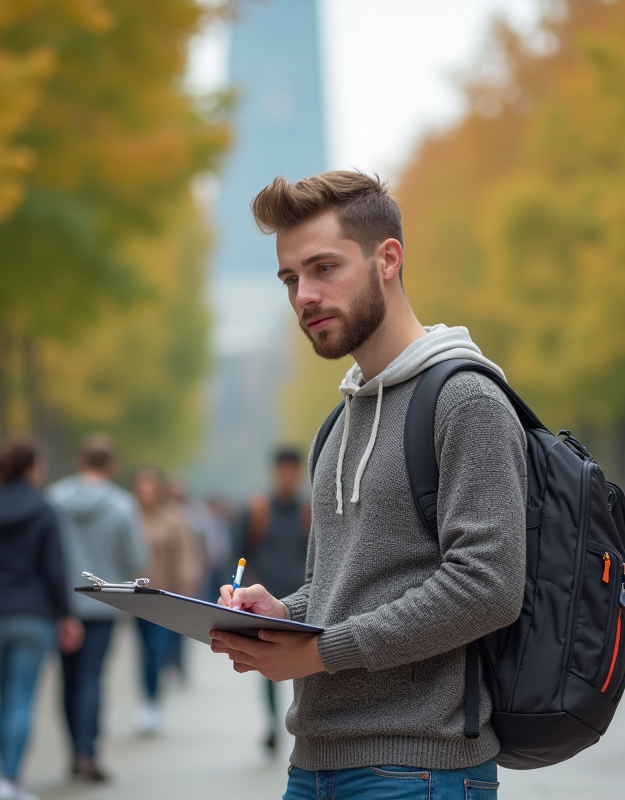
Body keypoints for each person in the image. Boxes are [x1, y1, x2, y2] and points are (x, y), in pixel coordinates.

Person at [209, 171, 526, 799]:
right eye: (290, 279)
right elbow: (343, 587)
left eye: (323, 268)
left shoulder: (465, 399)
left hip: (420, 770)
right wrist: (284, 614)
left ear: (388, 259)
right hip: (314, 765)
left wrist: (322, 651)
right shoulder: (339, 422)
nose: (304, 295)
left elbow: (488, 585)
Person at [0, 438, 83, 800]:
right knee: (20, 698)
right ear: (31, 468)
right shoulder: (44, 509)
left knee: (1, 698)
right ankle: (10, 779)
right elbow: (54, 568)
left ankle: (3, 775)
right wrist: (66, 615)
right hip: (34, 614)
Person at [46, 433, 147, 782]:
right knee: (92, 678)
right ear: (112, 465)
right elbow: (135, 558)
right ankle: (88, 752)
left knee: (67, 679)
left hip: (62, 605)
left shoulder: (53, 499)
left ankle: (74, 751)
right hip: (103, 603)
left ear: (79, 461)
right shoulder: (123, 505)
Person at [240, 446, 312, 755]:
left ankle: (304, 721)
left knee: (306, 666)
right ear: (274, 472)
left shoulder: (308, 511)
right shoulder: (257, 510)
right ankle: (272, 724)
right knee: (266, 666)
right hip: (264, 600)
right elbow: (241, 553)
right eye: (281, 469)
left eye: (291, 470)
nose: (286, 476)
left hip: (303, 601)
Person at [130, 465, 201, 736]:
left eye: (151, 487)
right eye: (141, 487)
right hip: (136, 597)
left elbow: (185, 554)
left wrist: (185, 583)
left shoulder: (173, 519)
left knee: (157, 650)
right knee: (143, 650)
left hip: (163, 596)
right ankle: (146, 702)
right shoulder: (130, 518)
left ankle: (154, 702)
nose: (146, 492)